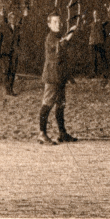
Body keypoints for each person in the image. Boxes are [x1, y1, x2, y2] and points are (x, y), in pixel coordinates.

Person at [37, 13, 79, 145]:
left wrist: (68, 76)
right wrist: (71, 32)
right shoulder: (50, 37)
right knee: (47, 104)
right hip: (51, 76)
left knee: (60, 105)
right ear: (49, 24)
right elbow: (60, 47)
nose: (58, 24)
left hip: (60, 76)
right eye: (54, 22)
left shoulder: (59, 36)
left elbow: (63, 55)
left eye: (59, 22)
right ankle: (42, 134)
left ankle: (62, 133)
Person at [88, 9, 110, 82]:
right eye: (94, 14)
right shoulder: (91, 23)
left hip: (100, 42)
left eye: (97, 13)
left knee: (102, 57)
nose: (95, 15)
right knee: (93, 58)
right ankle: (93, 73)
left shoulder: (102, 23)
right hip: (92, 42)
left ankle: (104, 73)